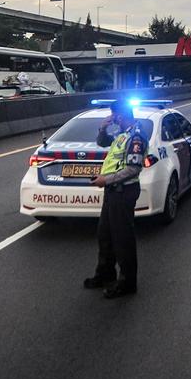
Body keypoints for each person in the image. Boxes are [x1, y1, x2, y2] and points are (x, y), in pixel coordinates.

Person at [83, 100, 148, 298]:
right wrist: (102, 128)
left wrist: (106, 180)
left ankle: (127, 282)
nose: (113, 118)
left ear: (120, 115)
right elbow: (102, 143)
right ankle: (105, 274)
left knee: (122, 239)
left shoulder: (136, 137)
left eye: (114, 115)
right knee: (105, 235)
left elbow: (133, 168)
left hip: (124, 191)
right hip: (112, 191)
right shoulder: (122, 135)